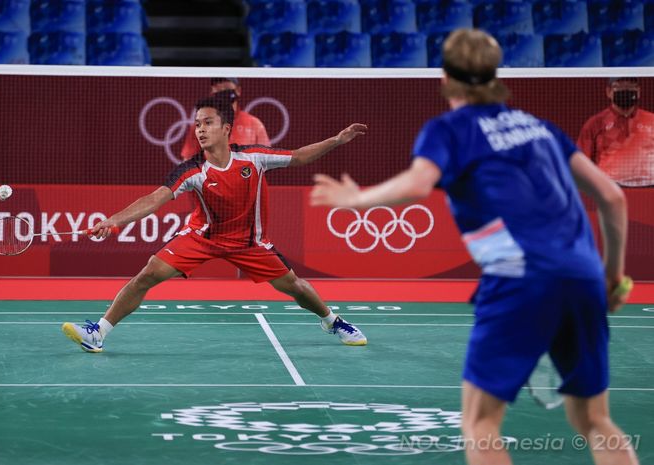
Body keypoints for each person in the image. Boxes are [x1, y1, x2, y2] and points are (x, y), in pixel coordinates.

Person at [311, 29, 638, 465]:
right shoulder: (540, 128)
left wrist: (358, 199)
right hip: (581, 278)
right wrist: (611, 275)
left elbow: (419, 182)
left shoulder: (449, 130)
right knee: (596, 420)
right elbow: (613, 197)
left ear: (445, 79)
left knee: (481, 424)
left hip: (519, 278)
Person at [62, 96, 368, 352]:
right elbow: (156, 198)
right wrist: (114, 221)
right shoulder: (193, 169)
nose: (200, 129)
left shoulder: (254, 158)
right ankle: (97, 333)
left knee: (295, 287)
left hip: (248, 243)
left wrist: (338, 140)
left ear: (226, 129)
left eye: (207, 123)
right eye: (196, 124)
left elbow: (299, 157)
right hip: (202, 237)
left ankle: (332, 321)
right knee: (148, 274)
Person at [577, 77, 654, 187]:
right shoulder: (595, 124)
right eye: (619, 86)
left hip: (650, 189)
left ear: (638, 91)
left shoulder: (651, 120)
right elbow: (581, 163)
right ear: (608, 91)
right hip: (610, 189)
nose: (625, 90)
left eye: (630, 86)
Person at [180, 77, 270, 160]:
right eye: (218, 84)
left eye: (226, 83)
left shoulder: (255, 124)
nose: (222, 88)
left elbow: (266, 161)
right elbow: (187, 162)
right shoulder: (201, 125)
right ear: (212, 91)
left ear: (238, 90)